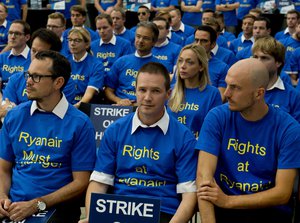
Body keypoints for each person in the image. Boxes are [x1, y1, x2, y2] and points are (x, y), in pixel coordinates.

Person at [80, 62, 198, 223]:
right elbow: (99, 182)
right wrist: (93, 217)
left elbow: (189, 194)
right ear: (135, 90)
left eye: (156, 91)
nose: (147, 98)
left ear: (168, 94)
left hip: (163, 212)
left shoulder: (184, 137)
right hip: (118, 210)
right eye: (142, 90)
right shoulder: (115, 130)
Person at [196, 58, 300, 223]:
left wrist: (229, 201)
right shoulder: (217, 117)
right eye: (227, 85)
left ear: (259, 93)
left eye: (235, 88)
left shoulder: (288, 129)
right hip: (222, 211)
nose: (227, 93)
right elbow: (204, 178)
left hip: (269, 212)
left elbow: (282, 193)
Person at [0, 50, 96, 223]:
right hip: (14, 205)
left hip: (55, 208)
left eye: (36, 77)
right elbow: (3, 168)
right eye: (28, 75)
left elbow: (81, 182)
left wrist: (37, 204)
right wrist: (2, 197)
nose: (28, 82)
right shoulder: (14, 116)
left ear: (58, 82)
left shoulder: (80, 123)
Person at [0, 28, 76, 119]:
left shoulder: (65, 82)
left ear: (54, 54)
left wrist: (12, 109)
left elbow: (56, 116)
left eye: (41, 53)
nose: (35, 56)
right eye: (33, 50)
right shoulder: (15, 79)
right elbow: (6, 116)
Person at [168, 44, 222, 139]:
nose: (183, 66)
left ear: (201, 66)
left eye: (190, 62)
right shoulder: (170, 91)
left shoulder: (212, 93)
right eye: (180, 61)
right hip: (170, 145)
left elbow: (213, 129)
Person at [104, 21, 160, 106]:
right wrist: (119, 101)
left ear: (154, 41)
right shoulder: (121, 61)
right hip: (120, 107)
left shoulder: (159, 66)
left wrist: (138, 104)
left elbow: (160, 95)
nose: (140, 41)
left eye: (146, 38)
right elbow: (108, 90)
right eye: (138, 36)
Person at [252, 36, 300, 123]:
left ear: (278, 63)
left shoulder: (293, 96)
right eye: (255, 57)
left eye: (264, 58)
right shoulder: (243, 89)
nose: (258, 62)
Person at [67, 27, 104, 107]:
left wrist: (71, 109)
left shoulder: (97, 65)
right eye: (70, 40)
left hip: (83, 107)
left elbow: (88, 96)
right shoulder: (64, 61)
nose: (72, 43)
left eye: (77, 40)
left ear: (86, 44)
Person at [194, 25, 229, 102]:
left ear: (213, 44)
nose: (198, 44)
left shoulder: (222, 67)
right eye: (196, 40)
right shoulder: (183, 63)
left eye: (204, 41)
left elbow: (221, 98)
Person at [0, 20, 30, 94]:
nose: (12, 37)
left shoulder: (34, 57)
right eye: (10, 33)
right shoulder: (2, 57)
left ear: (27, 37)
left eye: (17, 33)